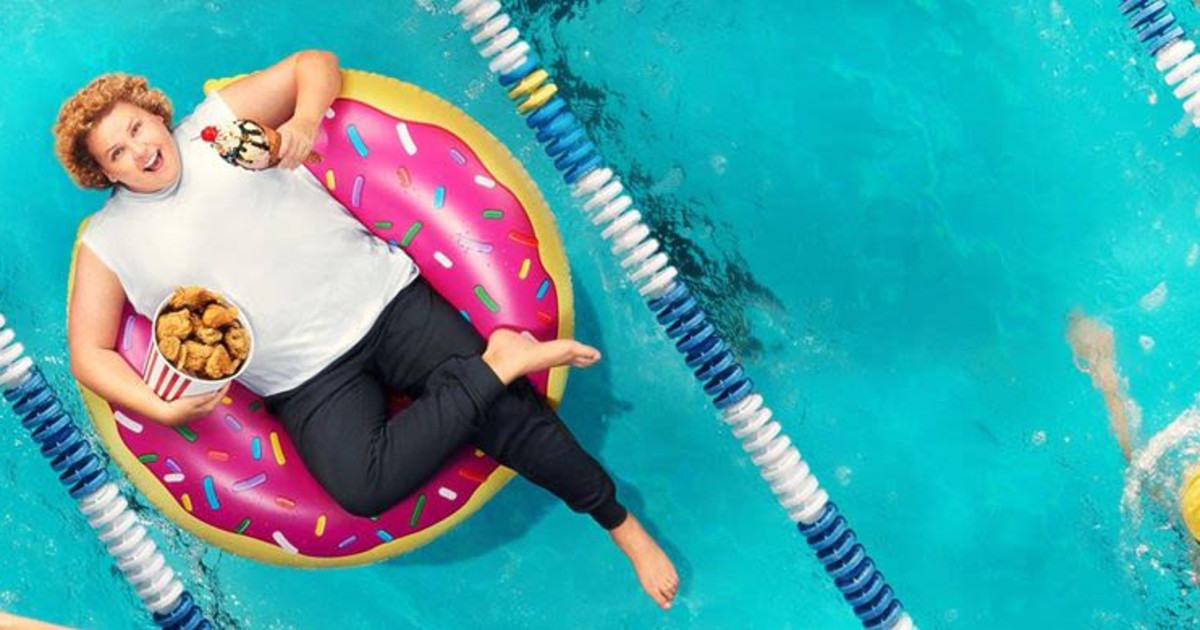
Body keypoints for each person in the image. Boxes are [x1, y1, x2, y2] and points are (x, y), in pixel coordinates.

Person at [55, 50, 679, 609]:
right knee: (360, 487)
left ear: (155, 114)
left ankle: (619, 523)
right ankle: (496, 363)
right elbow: (89, 352)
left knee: (509, 420)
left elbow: (314, 63)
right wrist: (160, 411)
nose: (138, 151)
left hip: (388, 304)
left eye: (136, 128)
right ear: (105, 175)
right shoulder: (110, 243)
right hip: (306, 382)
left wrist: (300, 124)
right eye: (116, 153)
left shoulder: (214, 126)